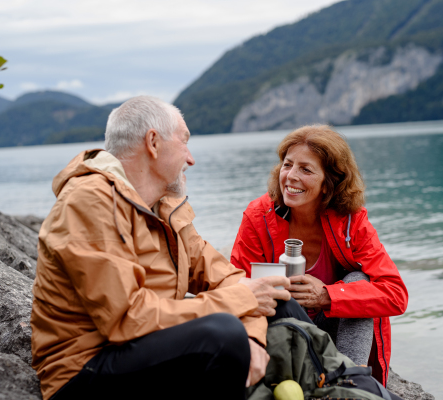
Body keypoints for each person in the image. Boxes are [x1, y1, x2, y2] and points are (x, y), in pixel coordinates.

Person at [30, 96, 292, 400]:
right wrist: (240, 302)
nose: (191, 159)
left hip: (145, 347)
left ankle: (335, 385)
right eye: (184, 141)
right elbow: (127, 318)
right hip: (84, 370)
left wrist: (254, 336)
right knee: (221, 335)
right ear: (153, 142)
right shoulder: (89, 201)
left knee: (278, 300)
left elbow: (229, 278)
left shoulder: (163, 206)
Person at [231, 125, 408, 386]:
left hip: (334, 335)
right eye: (287, 164)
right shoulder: (259, 215)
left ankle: (351, 383)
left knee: (358, 280)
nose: (290, 176)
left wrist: (327, 295)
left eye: (305, 169)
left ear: (329, 183)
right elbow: (236, 286)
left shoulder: (351, 221)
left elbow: (396, 295)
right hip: (280, 329)